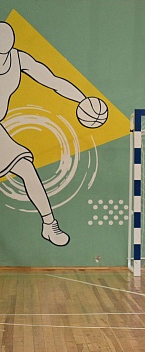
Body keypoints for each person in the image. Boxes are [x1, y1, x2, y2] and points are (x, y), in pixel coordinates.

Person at [0, 21, 104, 246]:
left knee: (26, 168)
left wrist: (83, 100)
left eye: (4, 53)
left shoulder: (19, 59)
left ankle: (49, 225)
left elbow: (53, 81)